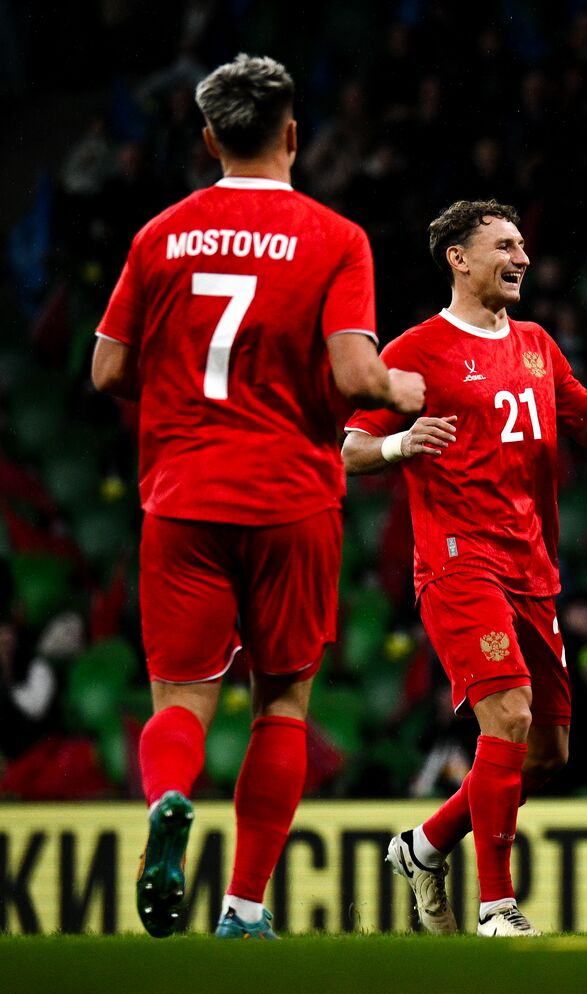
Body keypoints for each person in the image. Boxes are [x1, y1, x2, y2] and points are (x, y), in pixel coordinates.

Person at [92, 54, 425, 940]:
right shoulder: (334, 236)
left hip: (183, 497)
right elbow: (357, 371)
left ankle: (169, 799)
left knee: (181, 702)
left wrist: (185, 396)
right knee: (282, 703)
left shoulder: (159, 234)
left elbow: (107, 367)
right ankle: (243, 909)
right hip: (289, 496)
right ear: (291, 134)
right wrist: (401, 393)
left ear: (208, 139)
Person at [342, 199, 587, 937]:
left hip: (532, 568)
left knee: (547, 753)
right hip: (457, 561)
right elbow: (350, 449)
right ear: (459, 259)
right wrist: (401, 446)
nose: (524, 258)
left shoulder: (537, 343)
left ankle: (426, 845)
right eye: (505, 244)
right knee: (507, 714)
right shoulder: (416, 350)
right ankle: (497, 908)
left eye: (525, 245)